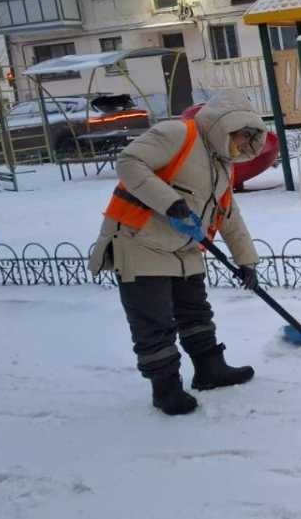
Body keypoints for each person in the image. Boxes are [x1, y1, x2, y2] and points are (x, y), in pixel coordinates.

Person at [90, 92, 268, 415]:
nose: (244, 147)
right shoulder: (179, 134)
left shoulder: (222, 166)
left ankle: (209, 369)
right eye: (243, 137)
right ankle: (165, 388)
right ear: (227, 126)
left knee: (196, 314)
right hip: (140, 241)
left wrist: (247, 262)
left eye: (250, 141)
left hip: (184, 251)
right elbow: (129, 162)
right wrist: (169, 201)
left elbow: (229, 216)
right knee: (154, 322)